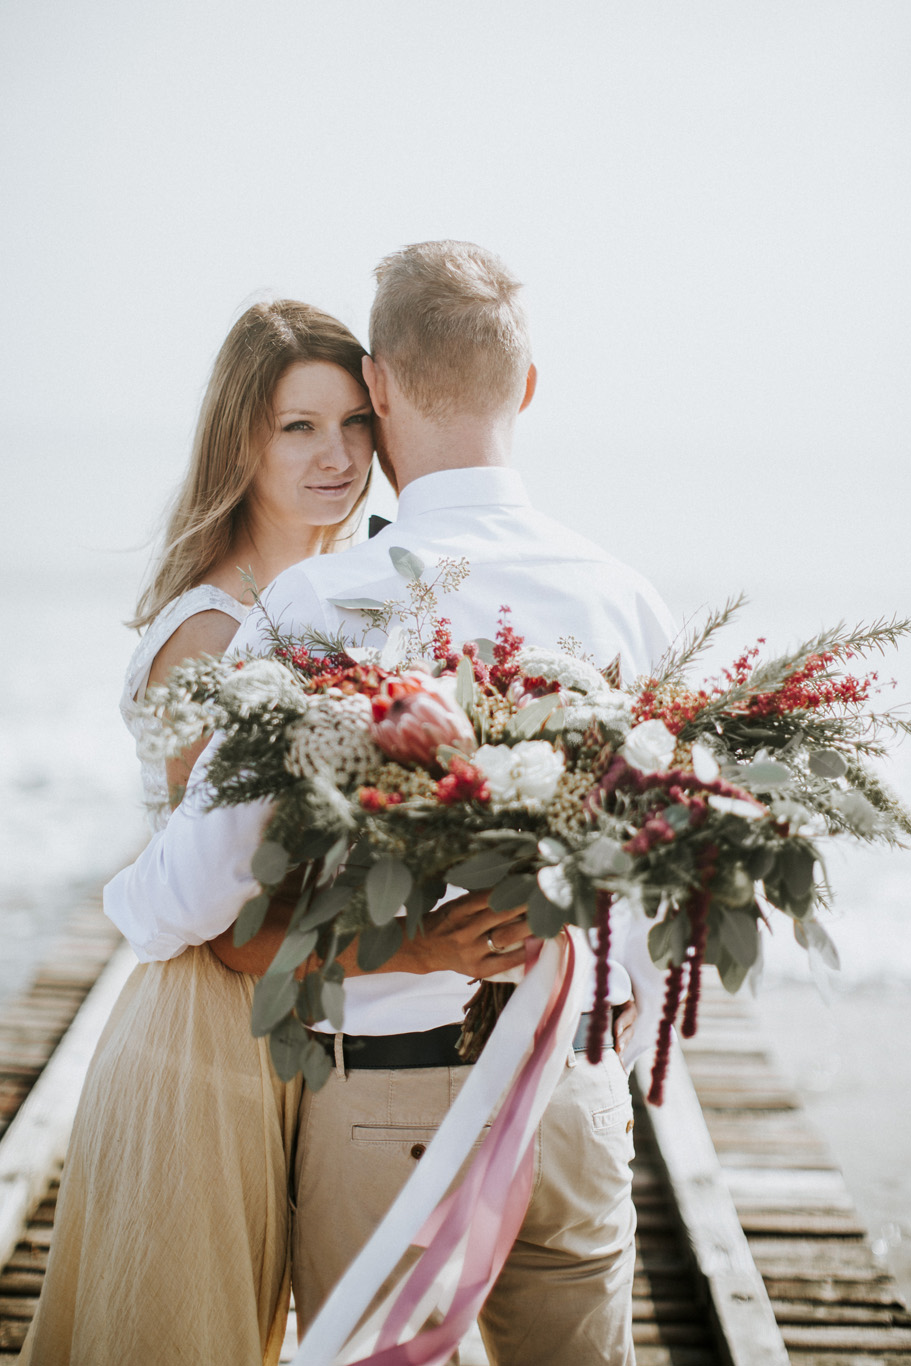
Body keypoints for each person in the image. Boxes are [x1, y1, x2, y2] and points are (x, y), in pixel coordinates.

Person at [104, 242, 677, 1365]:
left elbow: (191, 897)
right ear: (524, 386)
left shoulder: (320, 605)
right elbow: (664, 875)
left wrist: (127, 893)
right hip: (568, 1092)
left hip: (387, 1106)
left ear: (377, 389)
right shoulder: (625, 599)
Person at [20, 299, 376, 1366]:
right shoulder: (216, 630)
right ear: (241, 441)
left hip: (285, 1035)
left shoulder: (326, 605)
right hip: (205, 1040)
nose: (337, 454)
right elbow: (226, 912)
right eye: (297, 426)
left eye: (355, 422)